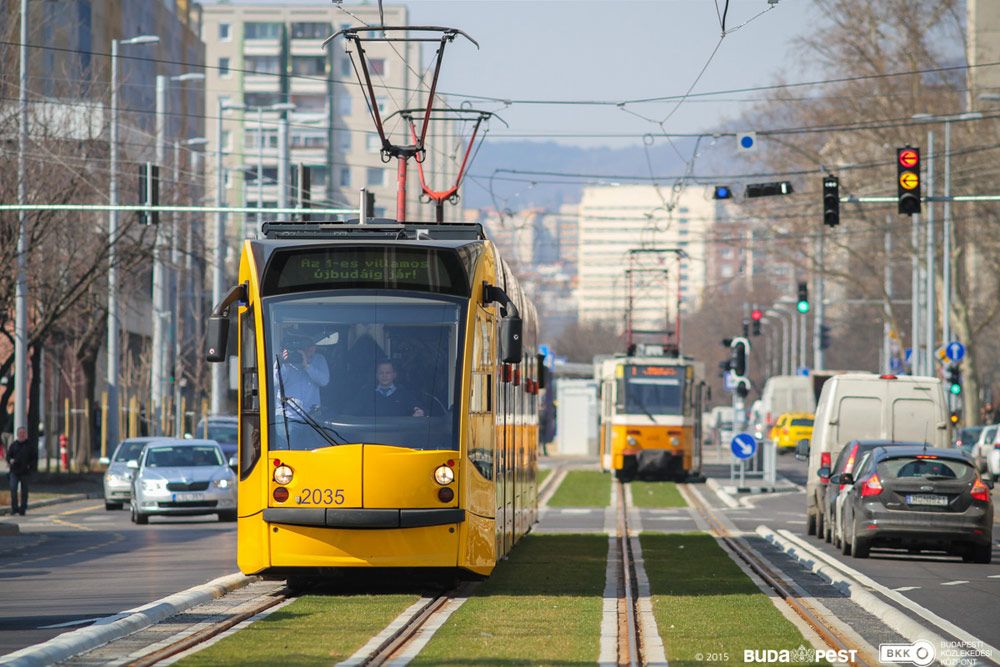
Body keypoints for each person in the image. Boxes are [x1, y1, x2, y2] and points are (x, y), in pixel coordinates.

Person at [274, 333, 330, 414]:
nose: (312, 348)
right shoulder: (283, 359)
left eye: (312, 345)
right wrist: (281, 363)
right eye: (307, 346)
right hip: (287, 415)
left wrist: (307, 366)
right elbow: (274, 382)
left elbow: (324, 381)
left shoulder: (318, 359)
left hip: (311, 415)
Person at [6, 427, 38, 516]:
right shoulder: (13, 445)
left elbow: (34, 458)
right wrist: (10, 461)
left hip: (25, 472)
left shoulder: (30, 446)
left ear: (26, 434)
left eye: (23, 433)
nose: (22, 435)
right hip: (14, 472)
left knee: (24, 491)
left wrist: (30, 467)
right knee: (13, 489)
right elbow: (8, 456)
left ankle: (22, 509)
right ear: (17, 434)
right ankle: (14, 508)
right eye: (20, 433)